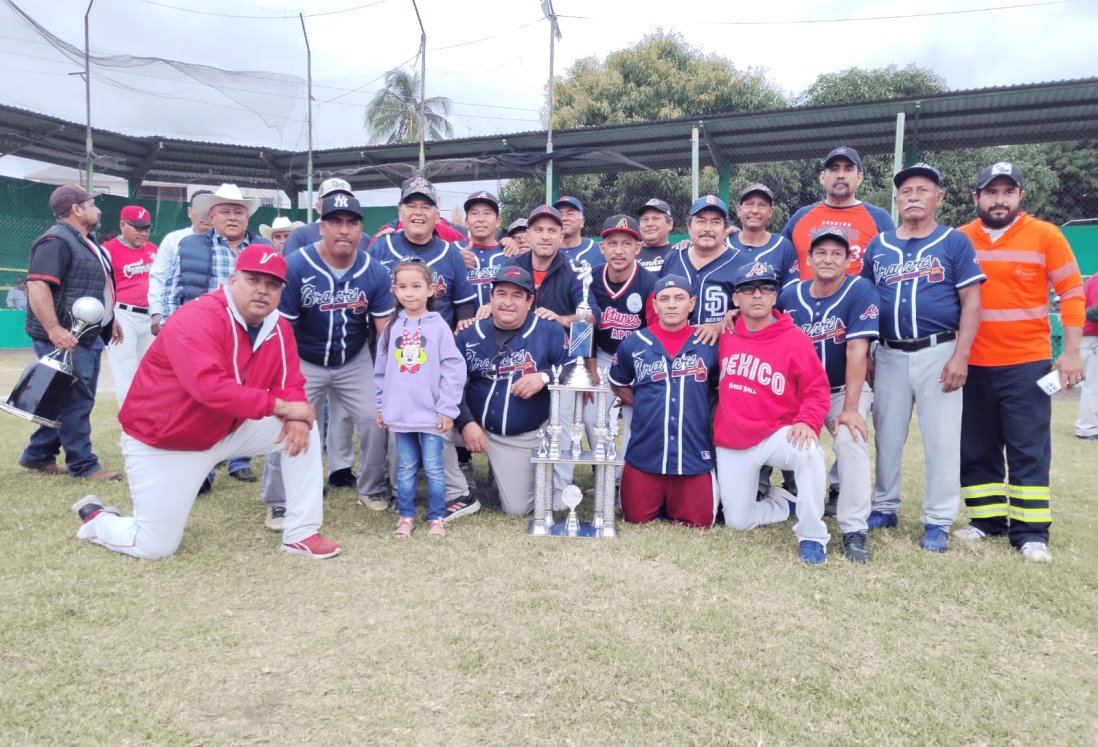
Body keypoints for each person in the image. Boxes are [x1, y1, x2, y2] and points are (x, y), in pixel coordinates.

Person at [71, 245, 341, 560]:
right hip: (165, 440)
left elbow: (290, 383)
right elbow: (210, 389)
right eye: (253, 279)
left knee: (303, 428)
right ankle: (97, 519)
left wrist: (295, 415)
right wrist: (283, 408)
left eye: (272, 284)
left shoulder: (277, 326)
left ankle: (301, 534)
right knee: (153, 546)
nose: (263, 291)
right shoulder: (198, 316)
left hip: (227, 432)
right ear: (232, 279)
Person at [953, 162, 1085, 562]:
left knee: (1028, 448)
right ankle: (985, 520)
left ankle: (1031, 533)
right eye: (991, 192)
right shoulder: (959, 239)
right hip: (972, 364)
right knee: (976, 447)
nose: (999, 199)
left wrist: (1071, 352)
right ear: (976, 197)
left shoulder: (1046, 235)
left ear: (1020, 197)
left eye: (1007, 192)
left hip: (1026, 364)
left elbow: (1072, 292)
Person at [860, 163, 985, 553]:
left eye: (923, 190)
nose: (913, 196)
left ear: (939, 198)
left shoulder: (954, 242)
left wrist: (961, 356)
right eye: (907, 191)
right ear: (896, 200)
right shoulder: (879, 246)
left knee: (942, 439)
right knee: (888, 435)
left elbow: (972, 302)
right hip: (890, 352)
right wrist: (866, 353)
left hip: (939, 349)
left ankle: (938, 518)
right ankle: (884, 505)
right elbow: (864, 303)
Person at [259, 193, 394, 529]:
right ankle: (279, 501)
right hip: (304, 359)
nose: (344, 230)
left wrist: (388, 378)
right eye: (336, 222)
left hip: (354, 358)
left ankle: (372, 486)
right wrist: (285, 381)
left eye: (351, 222)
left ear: (362, 229)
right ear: (322, 227)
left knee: (374, 419)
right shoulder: (298, 264)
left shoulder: (374, 271)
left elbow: (385, 332)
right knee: (288, 424)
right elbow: (283, 329)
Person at [368, 176, 479, 520]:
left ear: (436, 213)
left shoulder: (450, 253)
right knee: (395, 426)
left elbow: (463, 304)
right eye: (411, 205)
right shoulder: (380, 249)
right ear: (399, 211)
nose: (418, 212)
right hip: (394, 345)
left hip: (435, 353)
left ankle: (450, 487)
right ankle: (393, 486)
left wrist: (461, 327)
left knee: (436, 425)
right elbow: (371, 300)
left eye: (425, 206)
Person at [713, 262, 832, 564]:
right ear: (736, 300)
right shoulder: (724, 334)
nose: (758, 295)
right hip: (732, 439)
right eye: (748, 290)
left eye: (766, 289)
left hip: (777, 434)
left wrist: (807, 420)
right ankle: (783, 503)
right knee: (737, 522)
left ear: (775, 297)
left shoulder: (794, 339)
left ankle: (812, 536)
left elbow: (817, 390)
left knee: (809, 453)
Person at [777, 229, 880, 563]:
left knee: (850, 440)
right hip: (798, 393)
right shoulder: (789, 294)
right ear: (808, 260)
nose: (828, 259)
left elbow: (856, 350)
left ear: (849, 260)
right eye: (820, 253)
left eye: (837, 253)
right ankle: (777, 497)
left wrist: (851, 408)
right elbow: (762, 324)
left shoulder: (860, 289)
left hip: (841, 390)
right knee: (786, 442)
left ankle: (854, 528)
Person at [162, 183, 269, 488]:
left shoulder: (262, 248)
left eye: (238, 211)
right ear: (211, 216)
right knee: (201, 400)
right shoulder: (190, 246)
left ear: (247, 217)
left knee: (244, 397)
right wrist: (172, 330)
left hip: (249, 333)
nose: (233, 217)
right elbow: (175, 290)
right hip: (204, 334)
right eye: (225, 212)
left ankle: (239, 461)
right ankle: (202, 471)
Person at [19, 184, 120, 481]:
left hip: (85, 336)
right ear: (76, 208)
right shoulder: (56, 240)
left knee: (59, 397)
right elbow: (38, 285)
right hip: (67, 337)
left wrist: (110, 319)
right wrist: (54, 329)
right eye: (91, 203)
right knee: (77, 400)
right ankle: (84, 465)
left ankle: (37, 455)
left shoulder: (85, 242)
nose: (97, 209)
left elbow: (96, 288)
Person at [499, 204, 601, 495]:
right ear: (527, 234)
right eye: (539, 230)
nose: (545, 236)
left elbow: (592, 317)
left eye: (552, 230)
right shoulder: (514, 266)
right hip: (518, 357)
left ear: (560, 235)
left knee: (564, 424)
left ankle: (559, 492)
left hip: (560, 360)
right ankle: (514, 478)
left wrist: (563, 319)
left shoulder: (572, 270)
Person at [455, 266, 570, 515]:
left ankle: (501, 473)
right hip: (473, 424)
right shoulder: (468, 334)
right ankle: (458, 493)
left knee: (518, 509)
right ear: (491, 297)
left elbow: (572, 367)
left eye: (517, 296)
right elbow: (447, 384)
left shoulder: (549, 330)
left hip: (518, 437)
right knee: (427, 426)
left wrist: (543, 376)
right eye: (502, 294)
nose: (508, 302)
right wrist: (465, 422)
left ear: (530, 301)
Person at [608, 275, 719, 526]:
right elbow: (618, 382)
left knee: (699, 522)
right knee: (635, 518)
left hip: (693, 453)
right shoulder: (634, 343)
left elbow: (718, 386)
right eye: (664, 299)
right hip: (645, 453)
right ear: (655, 305)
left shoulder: (708, 342)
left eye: (679, 299)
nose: (671, 305)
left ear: (691, 304)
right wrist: (649, 403)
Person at [376, 259, 467, 539]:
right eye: (403, 287)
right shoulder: (391, 327)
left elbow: (454, 369)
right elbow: (381, 369)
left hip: (431, 414)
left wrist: (447, 409)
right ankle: (406, 515)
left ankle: (437, 517)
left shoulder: (438, 326)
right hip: (401, 413)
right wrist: (381, 405)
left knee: (434, 467)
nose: (410, 293)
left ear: (430, 290)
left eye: (416, 286)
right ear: (394, 290)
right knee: (404, 466)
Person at [584, 214, 657, 463]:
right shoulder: (589, 280)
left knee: (636, 417)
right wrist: (589, 367)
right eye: (612, 243)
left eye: (626, 243)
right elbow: (583, 326)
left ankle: (626, 478)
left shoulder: (649, 283)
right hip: (602, 355)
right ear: (602, 248)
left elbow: (655, 333)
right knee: (592, 417)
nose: (619, 250)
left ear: (638, 248)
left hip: (638, 359)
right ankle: (605, 473)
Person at [783, 146, 895, 279]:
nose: (840, 175)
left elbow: (892, 268)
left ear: (860, 177)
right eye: (834, 169)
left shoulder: (879, 218)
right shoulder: (801, 216)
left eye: (848, 169)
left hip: (857, 299)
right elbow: (781, 261)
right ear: (822, 177)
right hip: (804, 298)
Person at [659, 195, 741, 344]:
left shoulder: (742, 264)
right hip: (676, 352)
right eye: (701, 221)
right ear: (689, 228)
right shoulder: (672, 259)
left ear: (725, 230)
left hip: (723, 351)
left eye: (715, 222)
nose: (707, 229)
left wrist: (723, 325)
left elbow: (756, 313)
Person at [102, 205, 157, 405]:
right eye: (138, 227)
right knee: (126, 371)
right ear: (122, 225)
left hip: (150, 315)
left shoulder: (152, 249)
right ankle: (129, 427)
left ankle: (147, 421)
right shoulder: (108, 250)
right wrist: (110, 317)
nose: (143, 233)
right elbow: (102, 287)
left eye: (146, 228)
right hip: (122, 315)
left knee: (149, 370)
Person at [147, 189, 211, 336]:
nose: (204, 215)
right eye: (199, 210)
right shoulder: (174, 240)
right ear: (190, 212)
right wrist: (156, 311)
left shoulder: (227, 243)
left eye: (208, 210)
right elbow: (159, 277)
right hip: (179, 317)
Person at [728, 184, 799, 288]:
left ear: (770, 212)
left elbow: (790, 291)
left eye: (761, 205)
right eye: (749, 204)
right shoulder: (724, 243)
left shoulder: (783, 246)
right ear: (739, 210)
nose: (755, 210)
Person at [281, 178, 369, 256]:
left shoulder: (364, 239)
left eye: (344, 198)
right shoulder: (300, 235)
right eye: (331, 199)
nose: (337, 202)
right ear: (318, 207)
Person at [459, 191, 508, 313]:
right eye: (474, 213)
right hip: (463, 327)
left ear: (498, 221)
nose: (481, 219)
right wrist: (456, 263)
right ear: (466, 222)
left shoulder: (509, 252)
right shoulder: (452, 251)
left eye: (487, 213)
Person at [1076, 273, 1098, 440]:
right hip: (1092, 338)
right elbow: (1094, 313)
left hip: (1091, 339)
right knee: (1092, 384)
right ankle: (1086, 428)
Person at [553, 196, 603, 268]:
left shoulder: (599, 250)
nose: (564, 218)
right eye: (559, 214)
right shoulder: (546, 251)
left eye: (570, 214)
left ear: (582, 222)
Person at [635, 198, 675, 274]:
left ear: (669, 223)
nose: (649, 224)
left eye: (655, 219)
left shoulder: (679, 253)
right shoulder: (630, 254)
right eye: (645, 219)